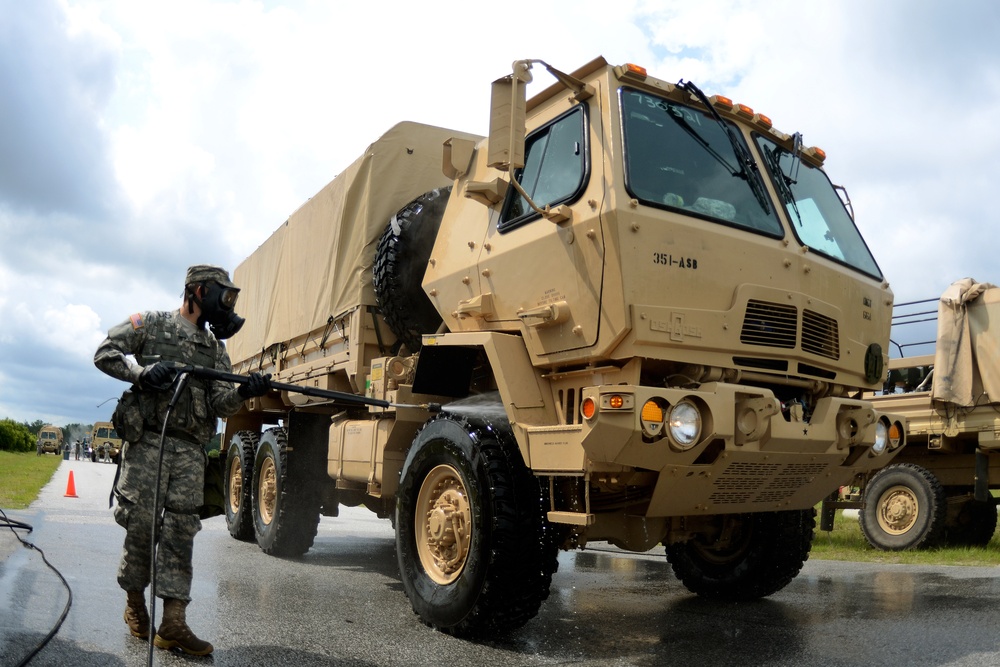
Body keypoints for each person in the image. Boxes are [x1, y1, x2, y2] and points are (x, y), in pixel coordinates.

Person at [94, 264, 271, 656]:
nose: (225, 306)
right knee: (141, 526)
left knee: (180, 533)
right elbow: (104, 352)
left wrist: (246, 392)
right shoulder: (152, 325)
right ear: (196, 291)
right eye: (220, 295)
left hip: (190, 451)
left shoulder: (215, 350)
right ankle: (135, 602)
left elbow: (222, 402)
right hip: (148, 445)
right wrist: (140, 373)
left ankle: (173, 622)